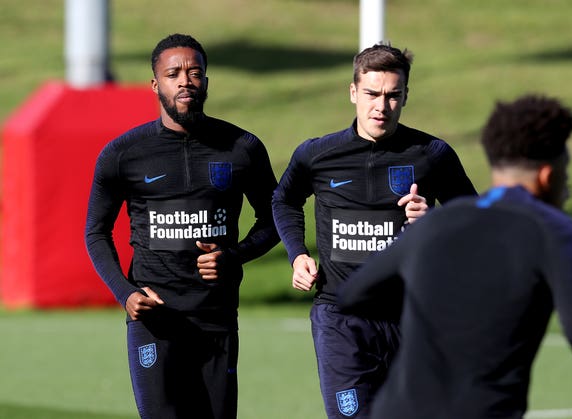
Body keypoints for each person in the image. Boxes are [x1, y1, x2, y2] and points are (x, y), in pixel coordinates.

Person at [338, 94, 572, 419]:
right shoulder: (556, 232)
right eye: (566, 174)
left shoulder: (437, 222)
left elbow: (352, 295)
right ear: (548, 176)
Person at [272, 43, 477, 418]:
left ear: (405, 96)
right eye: (371, 94)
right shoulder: (316, 155)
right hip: (341, 316)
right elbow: (283, 200)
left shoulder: (431, 154)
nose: (381, 107)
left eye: (392, 96)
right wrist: (297, 253)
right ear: (353, 92)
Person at [85, 33, 279, 419]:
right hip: (155, 319)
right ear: (156, 84)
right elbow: (96, 231)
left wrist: (235, 256)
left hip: (216, 316)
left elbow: (275, 219)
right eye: (174, 73)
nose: (185, 80)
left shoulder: (242, 147)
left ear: (206, 81)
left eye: (194, 72)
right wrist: (125, 293)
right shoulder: (123, 154)